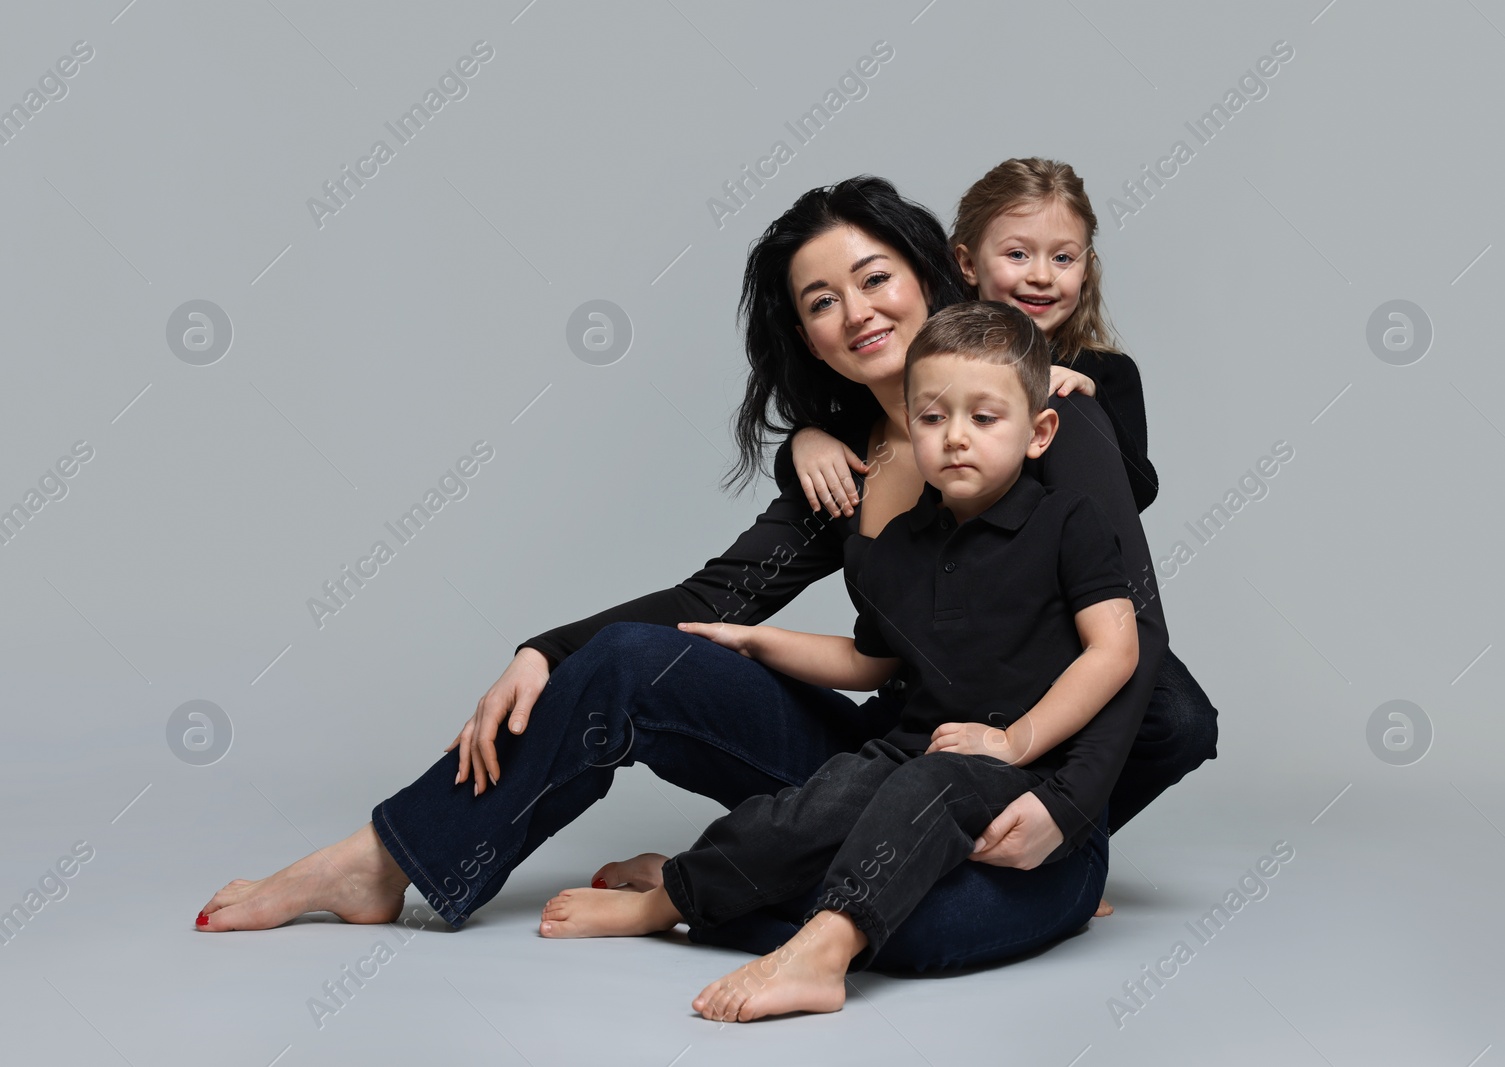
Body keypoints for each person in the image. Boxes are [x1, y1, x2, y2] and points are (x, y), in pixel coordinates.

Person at [196, 174, 1201, 972]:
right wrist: (547, 649)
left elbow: (1134, 639)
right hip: (889, 758)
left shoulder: (1047, 415)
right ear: (800, 333)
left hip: (1020, 785)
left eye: (873, 276)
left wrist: (1068, 812)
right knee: (636, 660)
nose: (855, 311)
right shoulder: (838, 465)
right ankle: (388, 859)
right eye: (820, 300)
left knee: (928, 933)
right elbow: (714, 602)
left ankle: (693, 888)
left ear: (932, 271)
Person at [537, 301, 1140, 1024]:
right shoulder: (900, 546)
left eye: (985, 418)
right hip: (914, 748)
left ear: (1039, 432)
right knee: (803, 812)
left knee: (929, 788)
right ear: (907, 425)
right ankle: (670, 897)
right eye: (933, 417)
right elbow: (866, 661)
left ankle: (826, 950)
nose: (956, 439)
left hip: (1022, 763)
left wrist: (1016, 740)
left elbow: (1117, 650)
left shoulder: (1068, 522)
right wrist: (759, 640)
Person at [783, 158, 1216, 885]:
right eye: (1017, 255)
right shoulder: (939, 350)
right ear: (966, 264)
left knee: (1174, 714)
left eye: (1063, 257)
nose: (1041, 275)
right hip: (963, 615)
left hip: (1067, 599)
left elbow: (1130, 498)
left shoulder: (1091, 384)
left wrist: (1073, 413)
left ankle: (1054, 837)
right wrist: (804, 437)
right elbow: (887, 408)